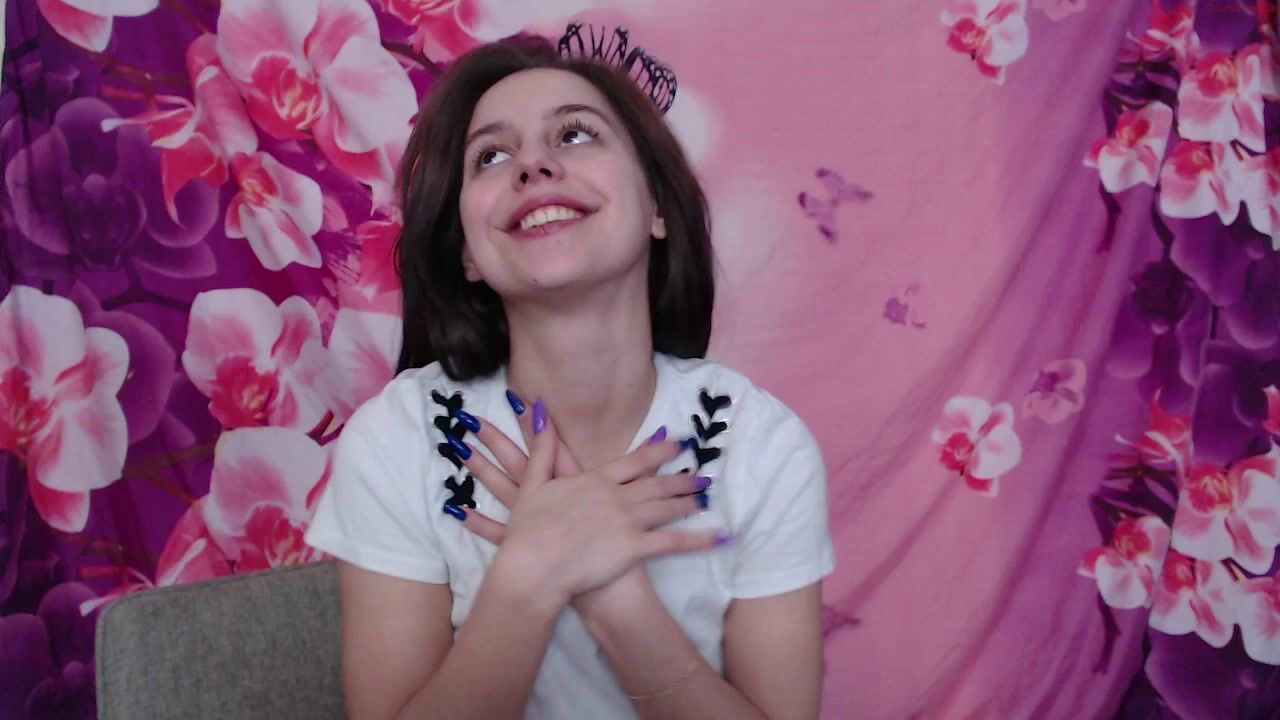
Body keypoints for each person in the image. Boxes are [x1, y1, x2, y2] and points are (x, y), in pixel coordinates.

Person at [304, 36, 835, 720]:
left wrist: (618, 603)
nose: (534, 164)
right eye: (491, 156)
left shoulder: (765, 445)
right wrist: (529, 577)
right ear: (467, 254)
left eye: (576, 134)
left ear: (656, 206)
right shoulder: (396, 438)